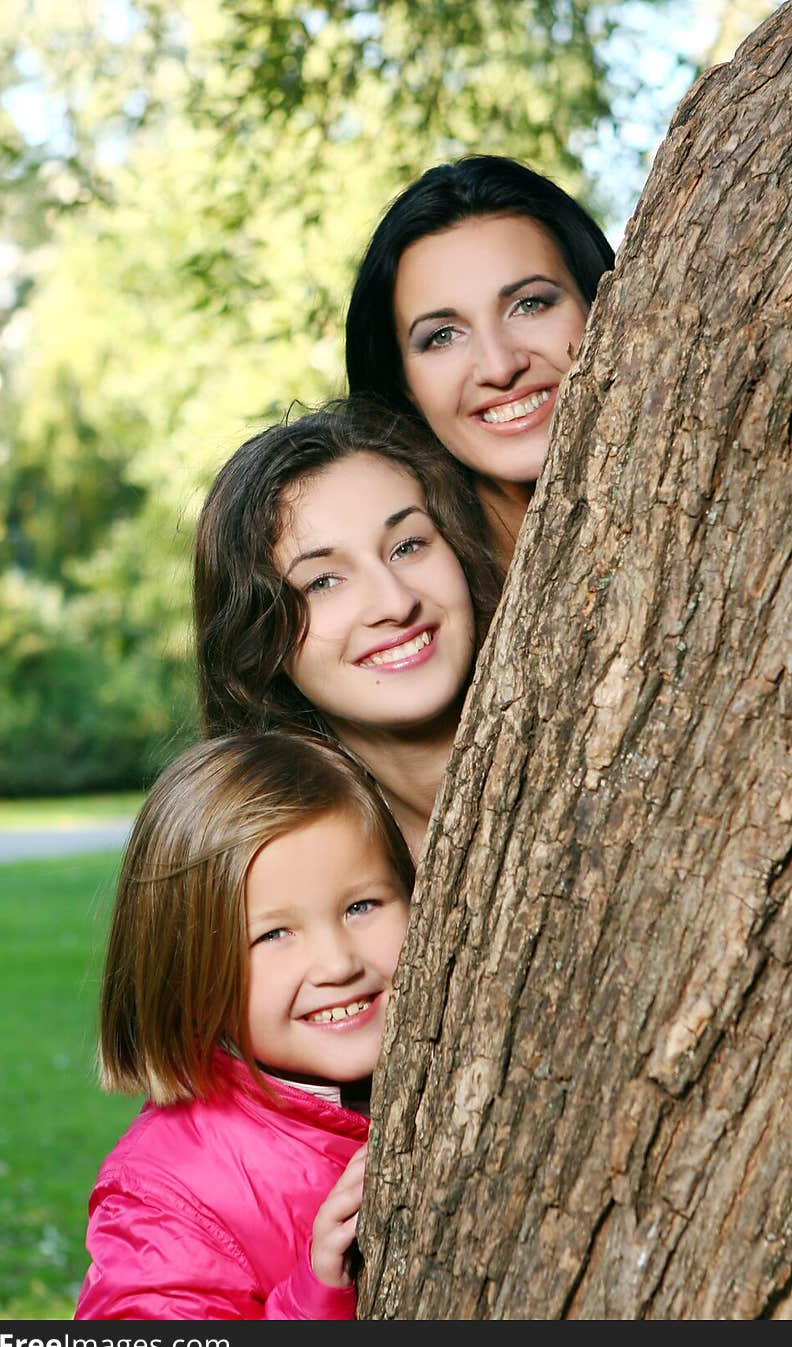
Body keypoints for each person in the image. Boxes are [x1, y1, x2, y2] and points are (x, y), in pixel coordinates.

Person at [75, 729, 415, 1320]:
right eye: (274, 934)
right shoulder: (167, 1189)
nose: (338, 963)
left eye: (361, 906)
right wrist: (314, 1298)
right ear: (188, 971)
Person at [193, 395, 502, 861]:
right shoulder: (282, 880)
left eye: (408, 546)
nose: (396, 603)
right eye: (322, 582)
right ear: (258, 643)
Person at [344, 154, 615, 574]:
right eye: (443, 336)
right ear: (404, 385)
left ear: (602, 304)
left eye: (529, 305)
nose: (499, 367)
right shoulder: (416, 610)